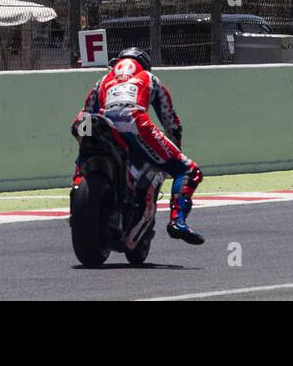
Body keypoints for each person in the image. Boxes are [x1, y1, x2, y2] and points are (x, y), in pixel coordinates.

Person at [71, 47, 205, 245]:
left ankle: (77, 188)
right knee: (189, 171)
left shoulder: (103, 80)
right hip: (135, 122)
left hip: (95, 123)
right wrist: (174, 153)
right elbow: (171, 122)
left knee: (85, 143)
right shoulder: (150, 78)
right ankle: (178, 220)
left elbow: (85, 114)